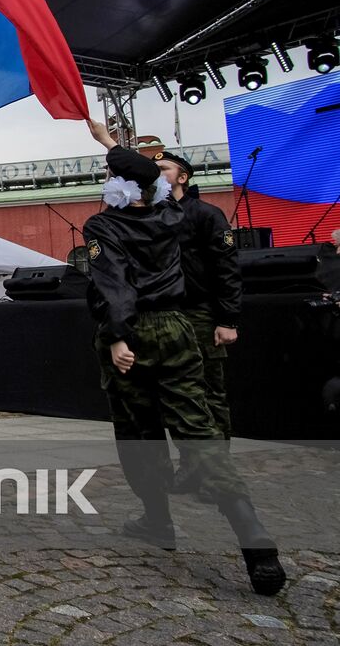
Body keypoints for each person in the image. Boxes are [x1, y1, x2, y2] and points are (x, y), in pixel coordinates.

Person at [82, 119, 284, 596]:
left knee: (139, 432)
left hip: (132, 331)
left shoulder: (103, 225)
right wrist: (112, 144)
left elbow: (113, 283)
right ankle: (253, 536)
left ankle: (158, 520)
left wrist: (116, 336)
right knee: (198, 429)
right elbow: (153, 186)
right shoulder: (172, 217)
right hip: (177, 327)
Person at [155, 150, 242, 488]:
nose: (157, 173)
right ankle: (191, 468)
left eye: (164, 169)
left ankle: (217, 476)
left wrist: (227, 319)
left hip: (201, 315)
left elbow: (227, 270)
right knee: (176, 398)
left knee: (208, 395)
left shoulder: (207, 215)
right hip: (165, 316)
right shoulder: (152, 218)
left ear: (182, 177)